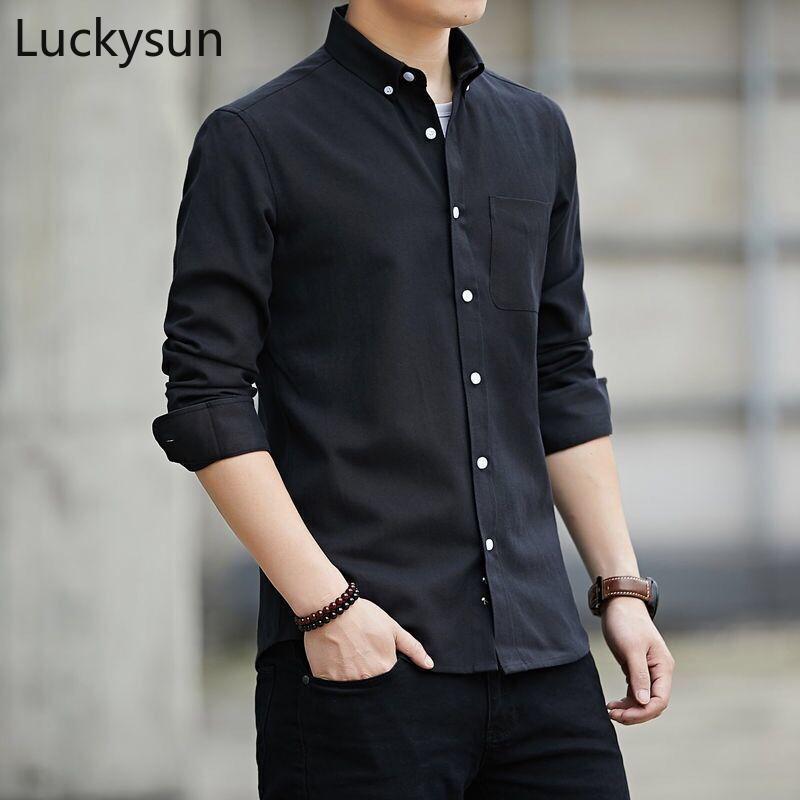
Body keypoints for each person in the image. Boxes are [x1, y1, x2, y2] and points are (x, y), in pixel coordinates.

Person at [152, 2, 674, 798]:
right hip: (360, 660)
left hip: (544, 660)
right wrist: (327, 609)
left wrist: (621, 589)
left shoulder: (536, 131)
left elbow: (561, 372)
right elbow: (207, 393)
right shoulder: (256, 139)